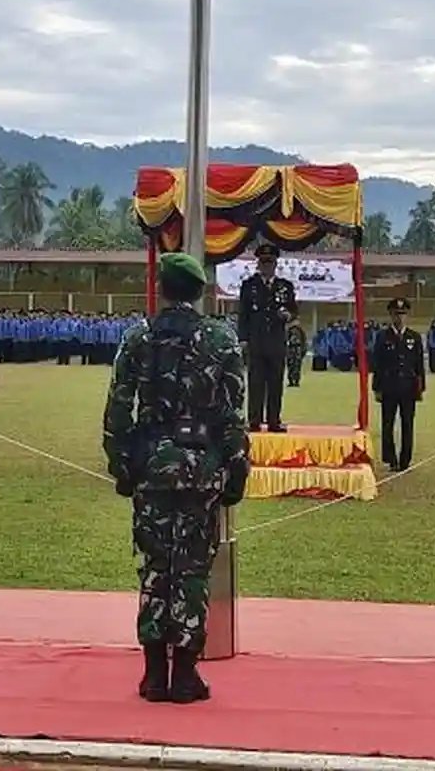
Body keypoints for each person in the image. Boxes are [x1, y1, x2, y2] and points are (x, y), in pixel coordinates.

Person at [103, 252, 250, 704]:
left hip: (151, 467)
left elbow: (118, 407)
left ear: (161, 288)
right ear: (200, 291)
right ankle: (185, 674)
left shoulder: (138, 337)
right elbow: (232, 415)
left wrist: (120, 464)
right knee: (191, 569)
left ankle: (153, 674)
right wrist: (237, 470)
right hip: (201, 469)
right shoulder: (221, 340)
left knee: (155, 568)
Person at [237, 242, 297, 431]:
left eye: (270, 262)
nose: (266, 266)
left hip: (277, 342)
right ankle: (254, 420)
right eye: (263, 262)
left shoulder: (285, 286)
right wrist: (243, 339)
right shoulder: (249, 286)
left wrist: (288, 315)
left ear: (275, 264)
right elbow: (243, 314)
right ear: (258, 264)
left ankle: (274, 421)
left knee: (275, 383)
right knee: (255, 382)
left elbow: (294, 310)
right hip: (256, 341)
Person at [371, 297, 425, 472]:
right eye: (396, 314)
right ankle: (391, 459)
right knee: (387, 424)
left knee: (407, 425)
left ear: (407, 315)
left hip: (408, 387)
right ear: (391, 315)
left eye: (402, 314)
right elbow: (377, 364)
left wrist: (420, 388)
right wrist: (377, 388)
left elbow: (419, 365)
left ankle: (405, 460)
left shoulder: (414, 337)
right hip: (389, 386)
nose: (399, 318)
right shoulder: (382, 337)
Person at [285, 321, 307, 387]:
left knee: (297, 366)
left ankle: (296, 381)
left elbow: (304, 341)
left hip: (297, 350)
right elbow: (286, 340)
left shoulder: (300, 331)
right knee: (291, 366)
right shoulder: (289, 331)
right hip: (292, 350)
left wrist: (303, 350)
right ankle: (291, 381)